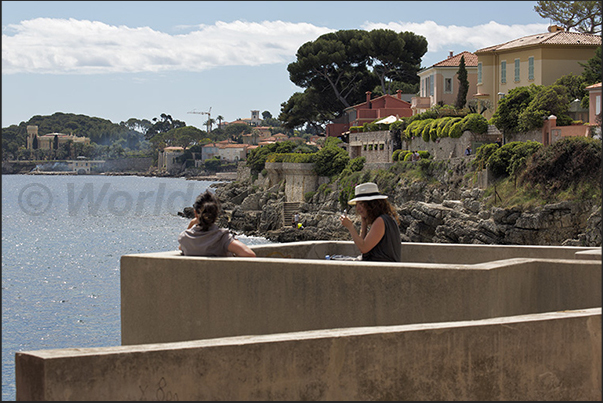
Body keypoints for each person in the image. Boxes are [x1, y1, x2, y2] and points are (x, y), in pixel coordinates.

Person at [178, 190, 256, 257]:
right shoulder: (222, 238)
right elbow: (249, 254)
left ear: (195, 213)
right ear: (217, 214)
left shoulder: (184, 238)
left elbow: (181, 247)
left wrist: (193, 224)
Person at [339, 182, 401, 262]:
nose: (358, 208)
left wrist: (350, 227)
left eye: (361, 204)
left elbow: (363, 248)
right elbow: (361, 244)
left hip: (380, 270)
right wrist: (364, 224)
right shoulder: (387, 218)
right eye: (357, 205)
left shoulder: (380, 221)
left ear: (372, 204)